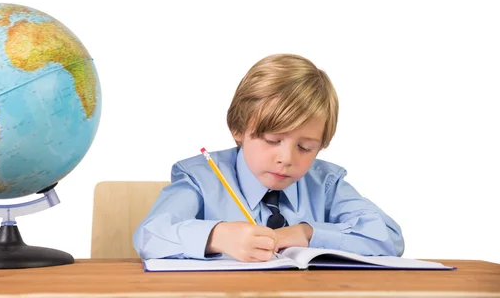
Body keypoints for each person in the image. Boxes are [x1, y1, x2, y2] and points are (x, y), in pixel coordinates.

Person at [133, 53, 404, 262]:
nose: (286, 158)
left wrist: (307, 234)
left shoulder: (325, 184)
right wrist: (215, 237)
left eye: (306, 147)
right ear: (238, 128)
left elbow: (389, 237)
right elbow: (149, 235)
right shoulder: (200, 177)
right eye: (273, 141)